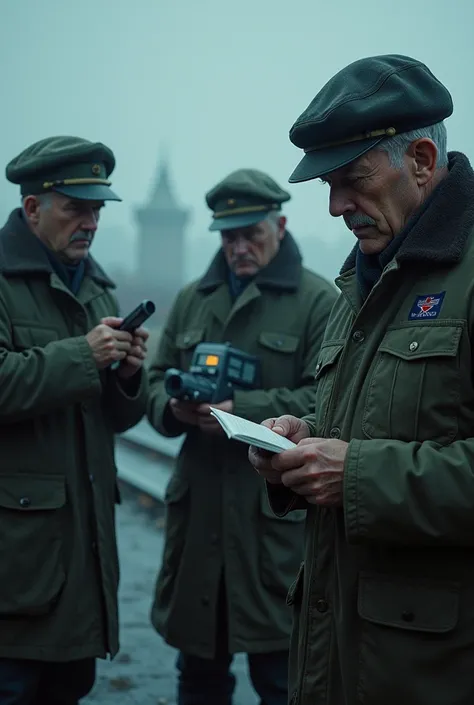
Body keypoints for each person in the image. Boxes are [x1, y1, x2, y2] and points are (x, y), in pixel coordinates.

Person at [248, 53, 474, 705]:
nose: (336, 206)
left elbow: (366, 461)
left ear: (422, 161)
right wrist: (302, 438)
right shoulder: (362, 280)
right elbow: (385, 420)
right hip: (338, 654)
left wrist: (355, 475)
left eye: (352, 180)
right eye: (326, 184)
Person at [147, 168, 337, 705]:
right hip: (200, 518)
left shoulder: (318, 302)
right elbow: (154, 385)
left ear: (279, 224)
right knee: (199, 675)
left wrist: (242, 411)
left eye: (251, 233)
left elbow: (327, 401)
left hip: (271, 526)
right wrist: (176, 409)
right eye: (228, 236)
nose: (239, 247)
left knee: (281, 678)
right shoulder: (192, 299)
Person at [0, 136, 149, 704]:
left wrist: (129, 376)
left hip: (81, 564)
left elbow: (114, 418)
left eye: (97, 209)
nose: (90, 222)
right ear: (33, 207)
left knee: (68, 689)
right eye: (76, 207)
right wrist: (83, 356)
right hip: (16, 562)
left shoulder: (97, 286)